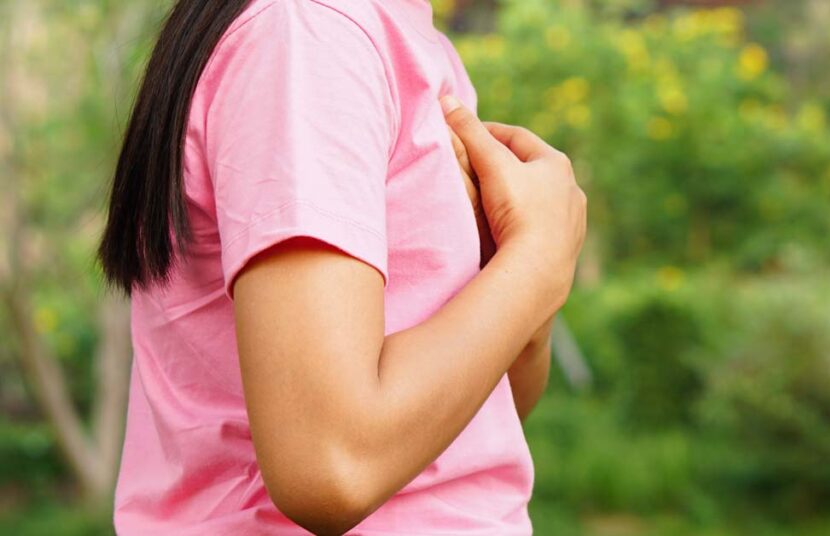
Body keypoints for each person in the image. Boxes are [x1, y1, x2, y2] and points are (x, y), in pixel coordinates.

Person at [97, 0, 586, 534]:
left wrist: (527, 294)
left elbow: (477, 416)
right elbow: (331, 465)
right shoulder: (310, 37)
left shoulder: (415, 44)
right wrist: (540, 262)